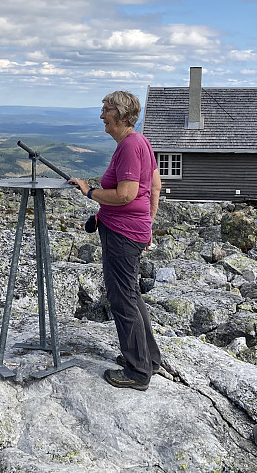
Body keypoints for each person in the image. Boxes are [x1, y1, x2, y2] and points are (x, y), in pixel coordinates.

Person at [69, 90, 162, 391]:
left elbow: (126, 194)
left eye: (106, 109)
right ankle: (150, 360)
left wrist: (89, 192)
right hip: (133, 230)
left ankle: (137, 372)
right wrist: (146, 226)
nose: (101, 115)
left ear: (121, 115)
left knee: (122, 300)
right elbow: (155, 187)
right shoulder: (141, 142)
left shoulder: (129, 146)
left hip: (122, 233)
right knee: (131, 295)